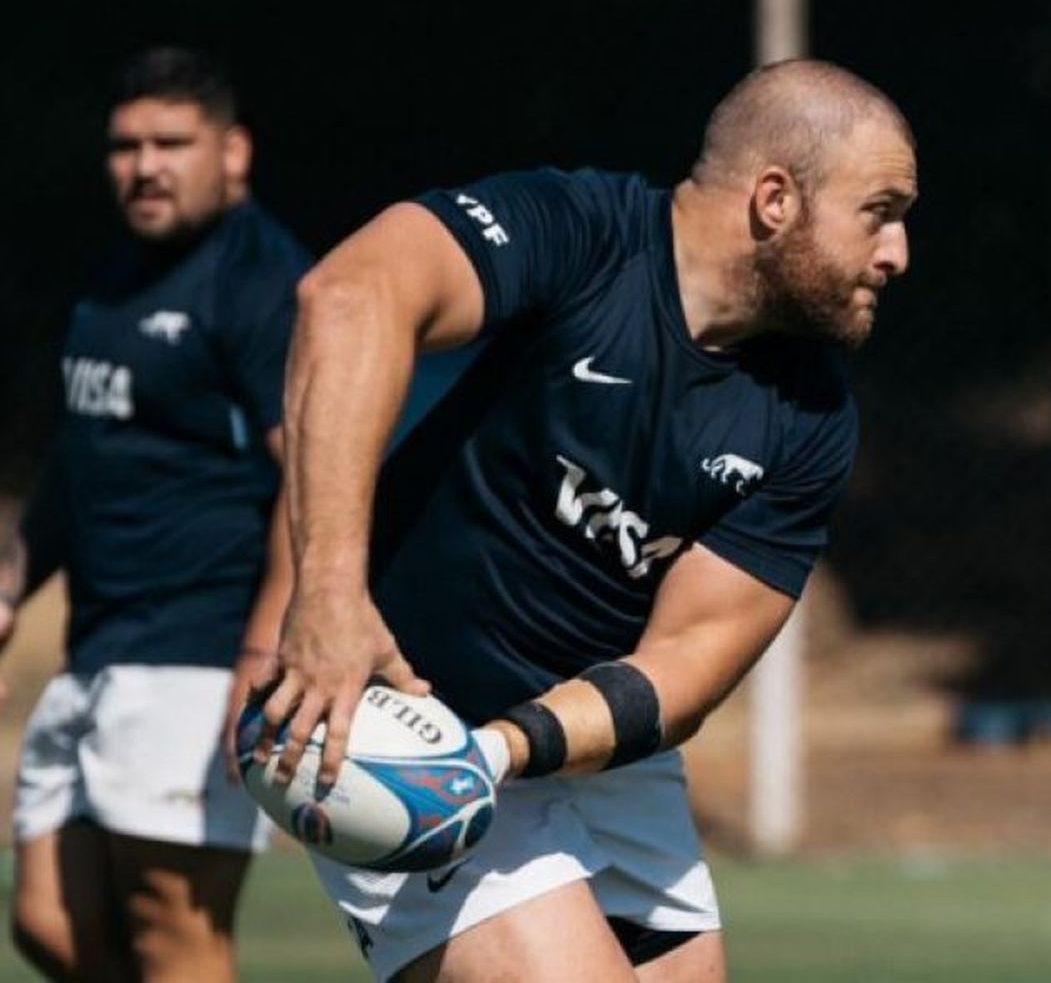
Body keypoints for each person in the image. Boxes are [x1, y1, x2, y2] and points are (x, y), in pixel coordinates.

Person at [239, 58, 915, 981]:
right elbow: (350, 296)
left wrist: (504, 750)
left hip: (571, 747)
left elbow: (688, 662)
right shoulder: (579, 233)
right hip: (407, 721)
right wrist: (328, 597)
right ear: (774, 200)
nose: (897, 254)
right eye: (880, 212)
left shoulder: (810, 413)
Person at [0, 47, 308, 981]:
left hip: (197, 653)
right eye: (127, 145)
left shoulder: (262, 283)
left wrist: (262, 655)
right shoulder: (113, 279)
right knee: (49, 924)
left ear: (235, 152)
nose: (145, 165)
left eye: (172, 143)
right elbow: (82, 457)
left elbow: (315, 485)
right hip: (98, 647)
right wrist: (15, 578)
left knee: (175, 937)